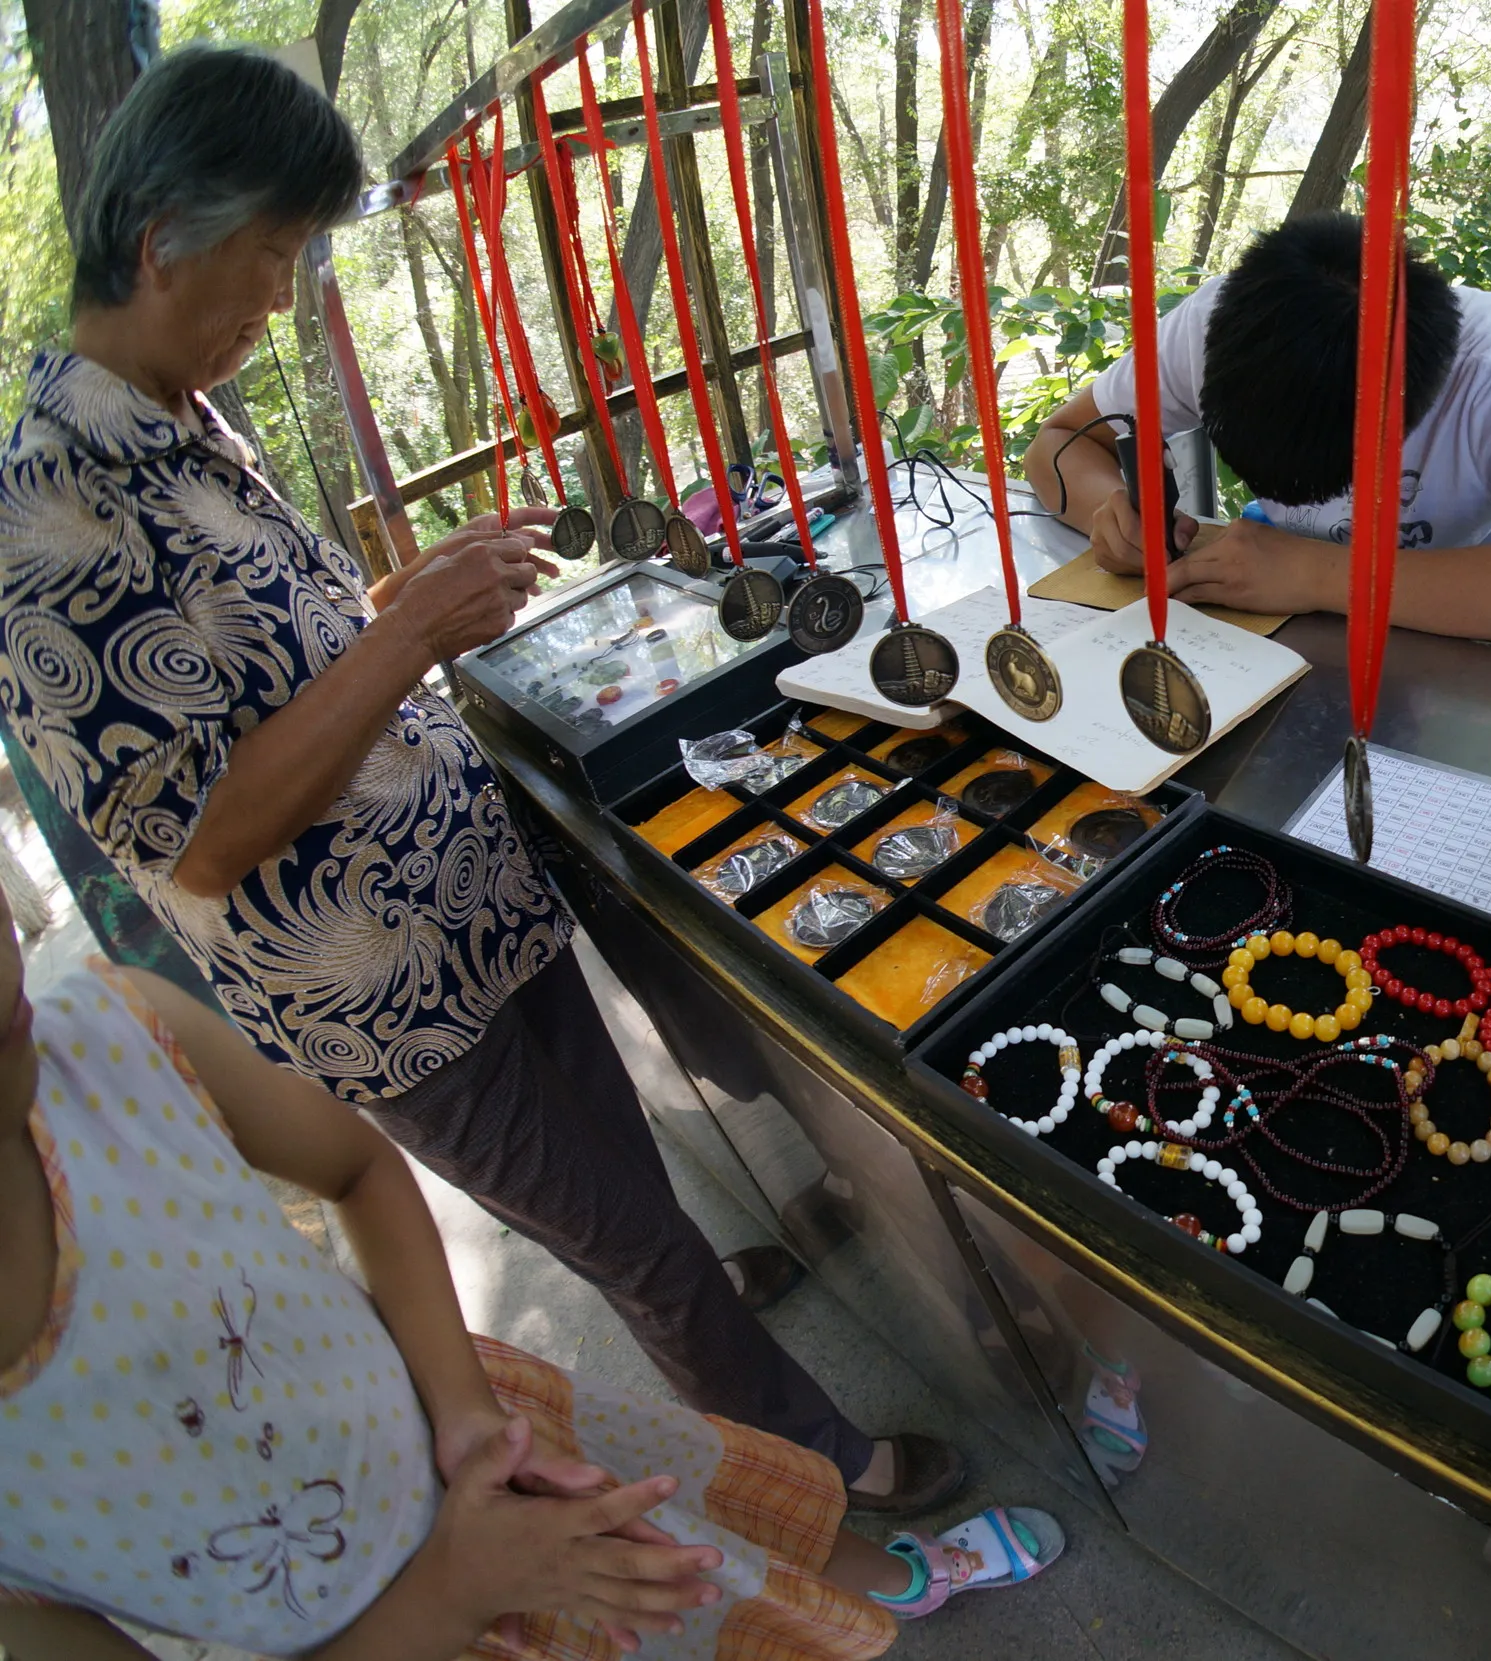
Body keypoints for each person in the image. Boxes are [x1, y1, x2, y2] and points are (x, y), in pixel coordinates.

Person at [0, 44, 960, 1513]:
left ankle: (692, 1283)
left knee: (618, 1174)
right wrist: (415, 639)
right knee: (622, 1228)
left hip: (468, 898)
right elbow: (203, 839)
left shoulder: (183, 419)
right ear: (161, 245)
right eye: (271, 261)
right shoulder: (43, 523)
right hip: (382, 992)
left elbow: (280, 670)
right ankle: (816, 1475)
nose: (280, 300)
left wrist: (405, 601)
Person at [0, 886, 1062, 1657]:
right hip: (419, 1629)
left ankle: (890, 1581)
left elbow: (358, 1164)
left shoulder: (100, 1032)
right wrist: (459, 1586)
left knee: (701, 1534)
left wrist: (461, 1415)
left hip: (479, 1417)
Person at [1024, 213, 1491, 648]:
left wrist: (1320, 575)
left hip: (1450, 636)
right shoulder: (1220, 325)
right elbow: (1058, 444)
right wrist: (1114, 513)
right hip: (1280, 637)